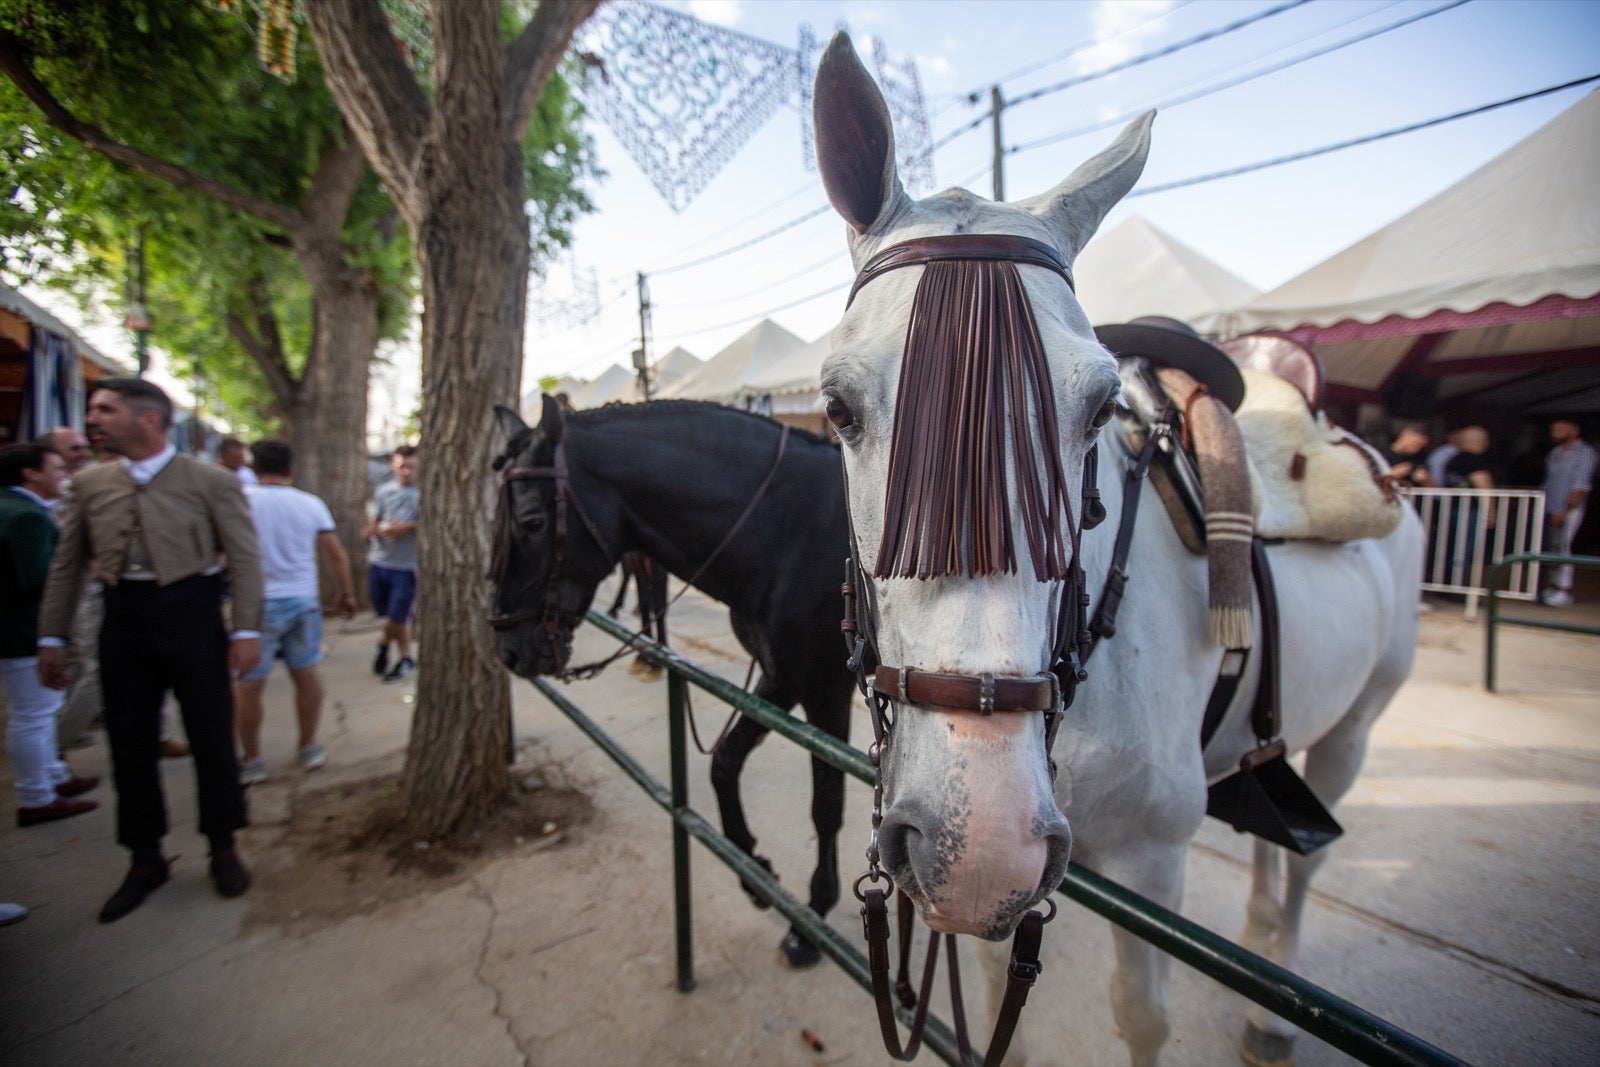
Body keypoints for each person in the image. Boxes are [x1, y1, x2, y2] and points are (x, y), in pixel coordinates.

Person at [36, 378, 264, 923]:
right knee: (130, 742)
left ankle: (222, 844)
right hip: (124, 620)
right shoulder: (90, 484)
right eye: (93, 409)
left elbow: (245, 556)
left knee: (211, 734)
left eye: (105, 409)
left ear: (148, 420)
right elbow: (68, 564)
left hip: (193, 613)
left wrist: (247, 630)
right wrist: (52, 636)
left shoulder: (210, 480)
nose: (93, 419)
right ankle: (145, 858)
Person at [235, 440, 358, 785]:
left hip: (254, 607)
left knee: (248, 685)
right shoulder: (309, 504)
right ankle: (308, 747)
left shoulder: (240, 502)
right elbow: (335, 554)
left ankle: (252, 759)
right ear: (291, 469)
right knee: (306, 674)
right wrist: (345, 593)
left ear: (254, 467)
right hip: (303, 601)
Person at [1, 443, 99, 826]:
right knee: (33, 715)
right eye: (56, 468)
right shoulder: (26, 517)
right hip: (23, 631)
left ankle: (53, 777)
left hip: (19, 630)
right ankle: (36, 795)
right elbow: (42, 581)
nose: (63, 475)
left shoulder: (15, 508)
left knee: (36, 712)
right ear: (30, 474)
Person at [364, 445, 418, 683]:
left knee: (398, 615)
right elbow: (376, 519)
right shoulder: (384, 491)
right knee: (393, 616)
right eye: (402, 466)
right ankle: (406, 656)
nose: (406, 472)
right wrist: (372, 530)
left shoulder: (424, 493)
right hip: (380, 561)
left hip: (407, 566)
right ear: (393, 466)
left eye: (411, 467)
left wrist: (406, 528)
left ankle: (383, 644)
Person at [1540, 419, 1597, 607]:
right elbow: (1548, 481)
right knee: (1554, 547)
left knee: (1565, 547)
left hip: (1569, 509)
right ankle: (1553, 587)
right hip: (1551, 506)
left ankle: (1564, 591)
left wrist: (1566, 510)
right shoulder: (1554, 453)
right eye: (1553, 428)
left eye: (1560, 429)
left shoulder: (1585, 453)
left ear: (1574, 431)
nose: (1554, 432)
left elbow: (1581, 485)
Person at [1380, 423, 1433, 488]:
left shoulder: (1419, 459)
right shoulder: (1381, 456)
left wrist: (1425, 480)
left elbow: (1434, 490)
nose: (1417, 449)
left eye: (1421, 446)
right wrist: (1392, 475)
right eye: (1415, 443)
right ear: (1404, 436)